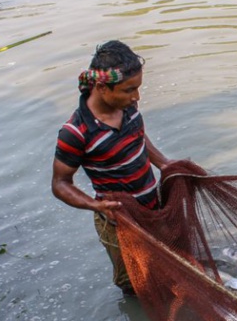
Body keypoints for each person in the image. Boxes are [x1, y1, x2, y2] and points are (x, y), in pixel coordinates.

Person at [51, 40, 172, 295]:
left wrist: (164, 163)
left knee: (166, 266)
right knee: (135, 283)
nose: (136, 96)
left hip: (152, 208)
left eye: (137, 88)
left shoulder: (127, 106)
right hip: (119, 222)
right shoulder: (75, 132)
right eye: (130, 90)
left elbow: (137, 137)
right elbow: (60, 184)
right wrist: (95, 205)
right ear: (102, 88)